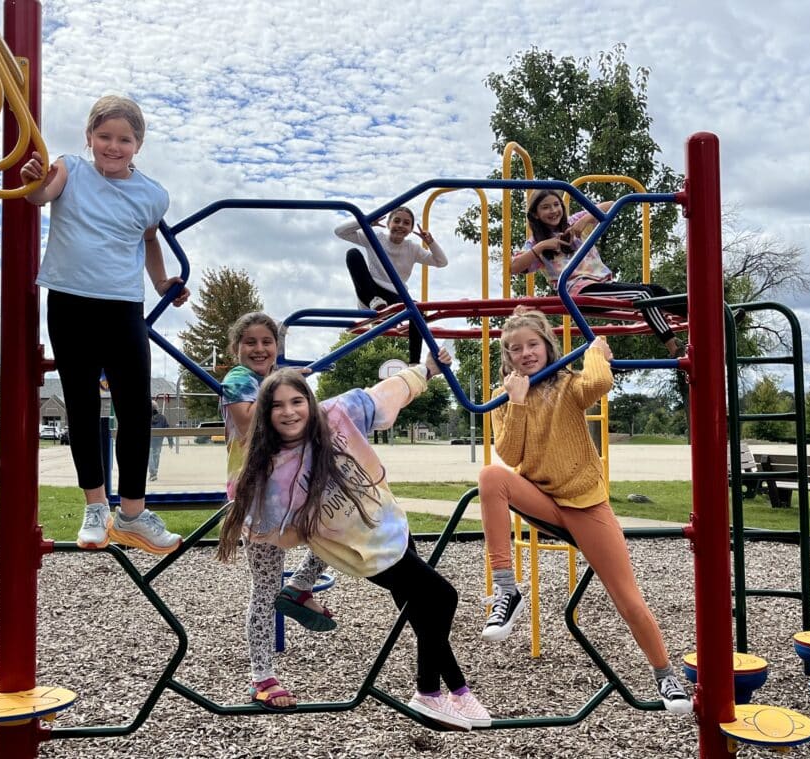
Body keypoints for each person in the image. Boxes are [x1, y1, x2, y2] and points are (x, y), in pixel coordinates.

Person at [217, 348, 492, 731]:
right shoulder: (270, 472)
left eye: (298, 401)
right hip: (359, 547)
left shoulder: (335, 417)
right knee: (441, 597)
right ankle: (433, 693)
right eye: (277, 406)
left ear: (310, 403)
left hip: (388, 520)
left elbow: (385, 392)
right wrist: (262, 533)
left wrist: (425, 370)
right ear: (265, 415)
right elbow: (260, 520)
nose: (289, 411)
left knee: (423, 608)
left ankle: (453, 694)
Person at [476, 307, 692, 715]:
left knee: (627, 599)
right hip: (542, 499)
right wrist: (517, 403)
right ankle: (506, 588)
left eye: (533, 345)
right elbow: (509, 453)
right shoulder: (504, 397)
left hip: (585, 505)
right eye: (515, 348)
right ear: (507, 355)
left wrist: (595, 349)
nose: (525, 354)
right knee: (490, 476)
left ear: (548, 346)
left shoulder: (567, 385)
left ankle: (665, 675)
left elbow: (600, 381)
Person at [20, 94, 189, 555]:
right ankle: (96, 506)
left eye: (124, 140)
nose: (113, 147)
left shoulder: (152, 194)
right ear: (89, 136)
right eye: (104, 137)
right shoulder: (70, 169)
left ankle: (132, 512)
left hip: (122, 305)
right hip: (71, 301)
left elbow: (149, 240)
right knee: (80, 404)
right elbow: (39, 196)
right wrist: (32, 181)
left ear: (138, 144)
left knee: (135, 408)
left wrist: (161, 282)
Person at [220, 312, 335, 712]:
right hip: (258, 498)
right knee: (264, 591)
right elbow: (251, 422)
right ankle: (262, 676)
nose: (259, 349)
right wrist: (284, 386)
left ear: (277, 347)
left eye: (267, 342)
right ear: (237, 349)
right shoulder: (238, 380)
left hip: (295, 491)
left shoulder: (280, 383)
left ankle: (301, 584)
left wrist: (291, 386)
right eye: (250, 342)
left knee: (339, 525)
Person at [511, 190, 686, 358]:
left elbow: (612, 205)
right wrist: (542, 247)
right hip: (579, 292)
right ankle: (673, 346)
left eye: (556, 205)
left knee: (656, 291)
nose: (553, 210)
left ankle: (698, 318)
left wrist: (585, 220)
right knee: (643, 295)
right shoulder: (535, 242)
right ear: (535, 214)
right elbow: (514, 267)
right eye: (546, 207)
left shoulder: (574, 222)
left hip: (603, 284)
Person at [335, 207, 448, 364]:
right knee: (352, 253)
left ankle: (414, 362)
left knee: (417, 310)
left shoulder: (412, 248)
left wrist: (431, 242)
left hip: (395, 296)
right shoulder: (375, 238)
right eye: (396, 220)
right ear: (387, 224)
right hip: (370, 292)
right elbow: (340, 232)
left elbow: (441, 262)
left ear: (410, 230)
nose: (401, 225)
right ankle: (375, 303)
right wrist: (365, 221)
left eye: (406, 223)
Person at [148, 402, 172, 482]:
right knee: (156, 456)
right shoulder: (162, 418)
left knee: (149, 457)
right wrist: (170, 440)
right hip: (158, 441)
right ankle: (155, 472)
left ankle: (153, 473)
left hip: (148, 441)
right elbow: (167, 429)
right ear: (157, 408)